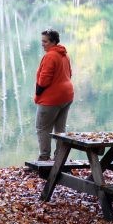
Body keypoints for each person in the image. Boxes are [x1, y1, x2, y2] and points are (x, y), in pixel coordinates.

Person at [34, 29, 74, 161]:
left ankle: (44, 158)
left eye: (45, 41)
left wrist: (38, 92)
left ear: (53, 42)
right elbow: (70, 73)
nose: (42, 44)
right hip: (66, 96)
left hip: (52, 99)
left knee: (42, 128)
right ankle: (60, 158)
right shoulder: (64, 55)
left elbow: (44, 79)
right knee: (60, 130)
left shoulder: (50, 56)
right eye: (42, 41)